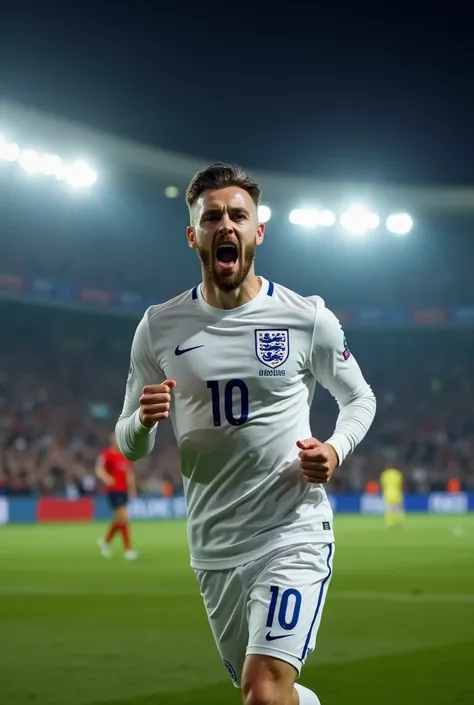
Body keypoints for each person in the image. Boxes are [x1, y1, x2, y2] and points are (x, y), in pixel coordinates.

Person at [115, 162, 376, 705]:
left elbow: (359, 398)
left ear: (259, 231)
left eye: (238, 215)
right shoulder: (159, 326)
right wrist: (142, 420)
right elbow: (128, 445)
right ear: (194, 236)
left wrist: (334, 447)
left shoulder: (306, 318)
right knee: (265, 694)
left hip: (291, 532)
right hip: (212, 548)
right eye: (212, 217)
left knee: (261, 692)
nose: (225, 225)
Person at [96, 433, 138, 560]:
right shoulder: (106, 454)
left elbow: (129, 474)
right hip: (113, 490)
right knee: (124, 518)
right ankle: (128, 550)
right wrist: (107, 478)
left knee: (119, 520)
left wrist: (132, 490)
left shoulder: (125, 456)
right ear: (113, 442)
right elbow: (99, 469)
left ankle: (104, 542)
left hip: (123, 490)